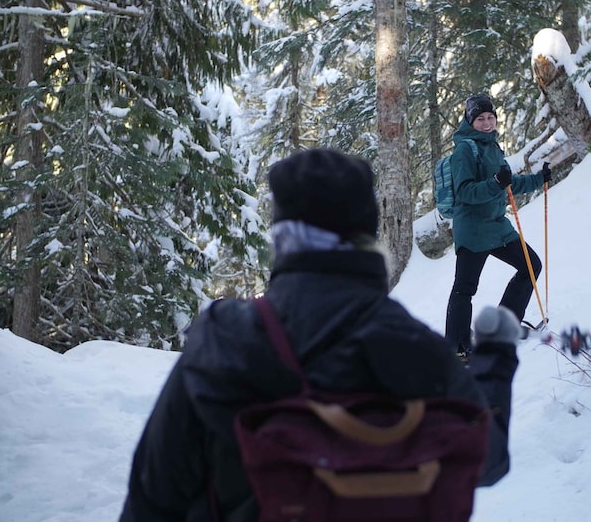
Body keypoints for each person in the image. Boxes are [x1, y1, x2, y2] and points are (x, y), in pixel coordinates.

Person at [120, 148, 521, 521]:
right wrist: (496, 358)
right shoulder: (410, 343)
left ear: (281, 237)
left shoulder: (224, 339)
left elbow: (151, 497)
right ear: (366, 231)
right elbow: (489, 457)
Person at [445, 93, 551, 361]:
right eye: (480, 118)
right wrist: (494, 182)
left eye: (490, 117)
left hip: (496, 227)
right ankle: (457, 348)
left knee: (531, 265)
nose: (486, 122)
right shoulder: (464, 150)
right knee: (465, 288)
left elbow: (509, 183)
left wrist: (540, 178)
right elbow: (466, 192)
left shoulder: (493, 147)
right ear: (470, 121)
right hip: (473, 230)